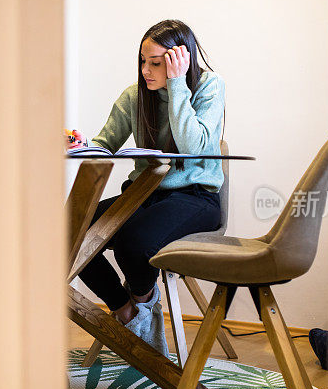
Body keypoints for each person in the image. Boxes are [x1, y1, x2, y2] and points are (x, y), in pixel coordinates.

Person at [66, 19, 225, 356]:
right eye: (143, 61)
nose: (146, 70)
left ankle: (141, 304)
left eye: (157, 62)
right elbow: (103, 143)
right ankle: (127, 309)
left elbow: (194, 146)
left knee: (133, 243)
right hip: (142, 194)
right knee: (68, 231)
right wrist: (77, 145)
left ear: (181, 59)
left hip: (195, 198)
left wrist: (178, 85)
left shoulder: (209, 87)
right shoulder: (134, 95)